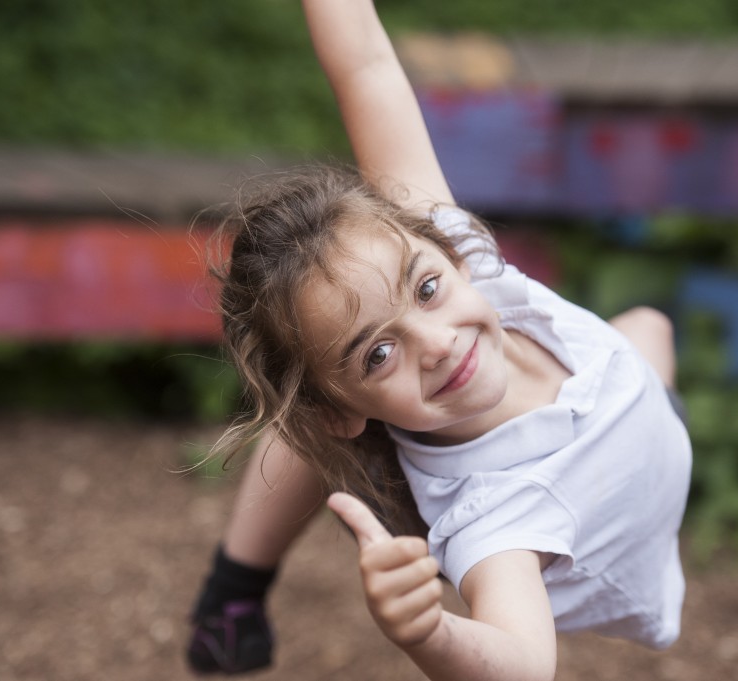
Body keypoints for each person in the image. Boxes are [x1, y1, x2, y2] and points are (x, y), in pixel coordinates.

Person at [187, 0, 692, 678]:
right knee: (311, 415)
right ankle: (234, 593)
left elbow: (367, 67)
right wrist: (427, 633)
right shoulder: (496, 517)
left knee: (649, 327)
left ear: (445, 255)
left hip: (625, 404)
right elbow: (521, 666)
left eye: (426, 290)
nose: (437, 341)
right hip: (601, 519)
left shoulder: (452, 249)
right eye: (380, 350)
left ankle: (352, 391)